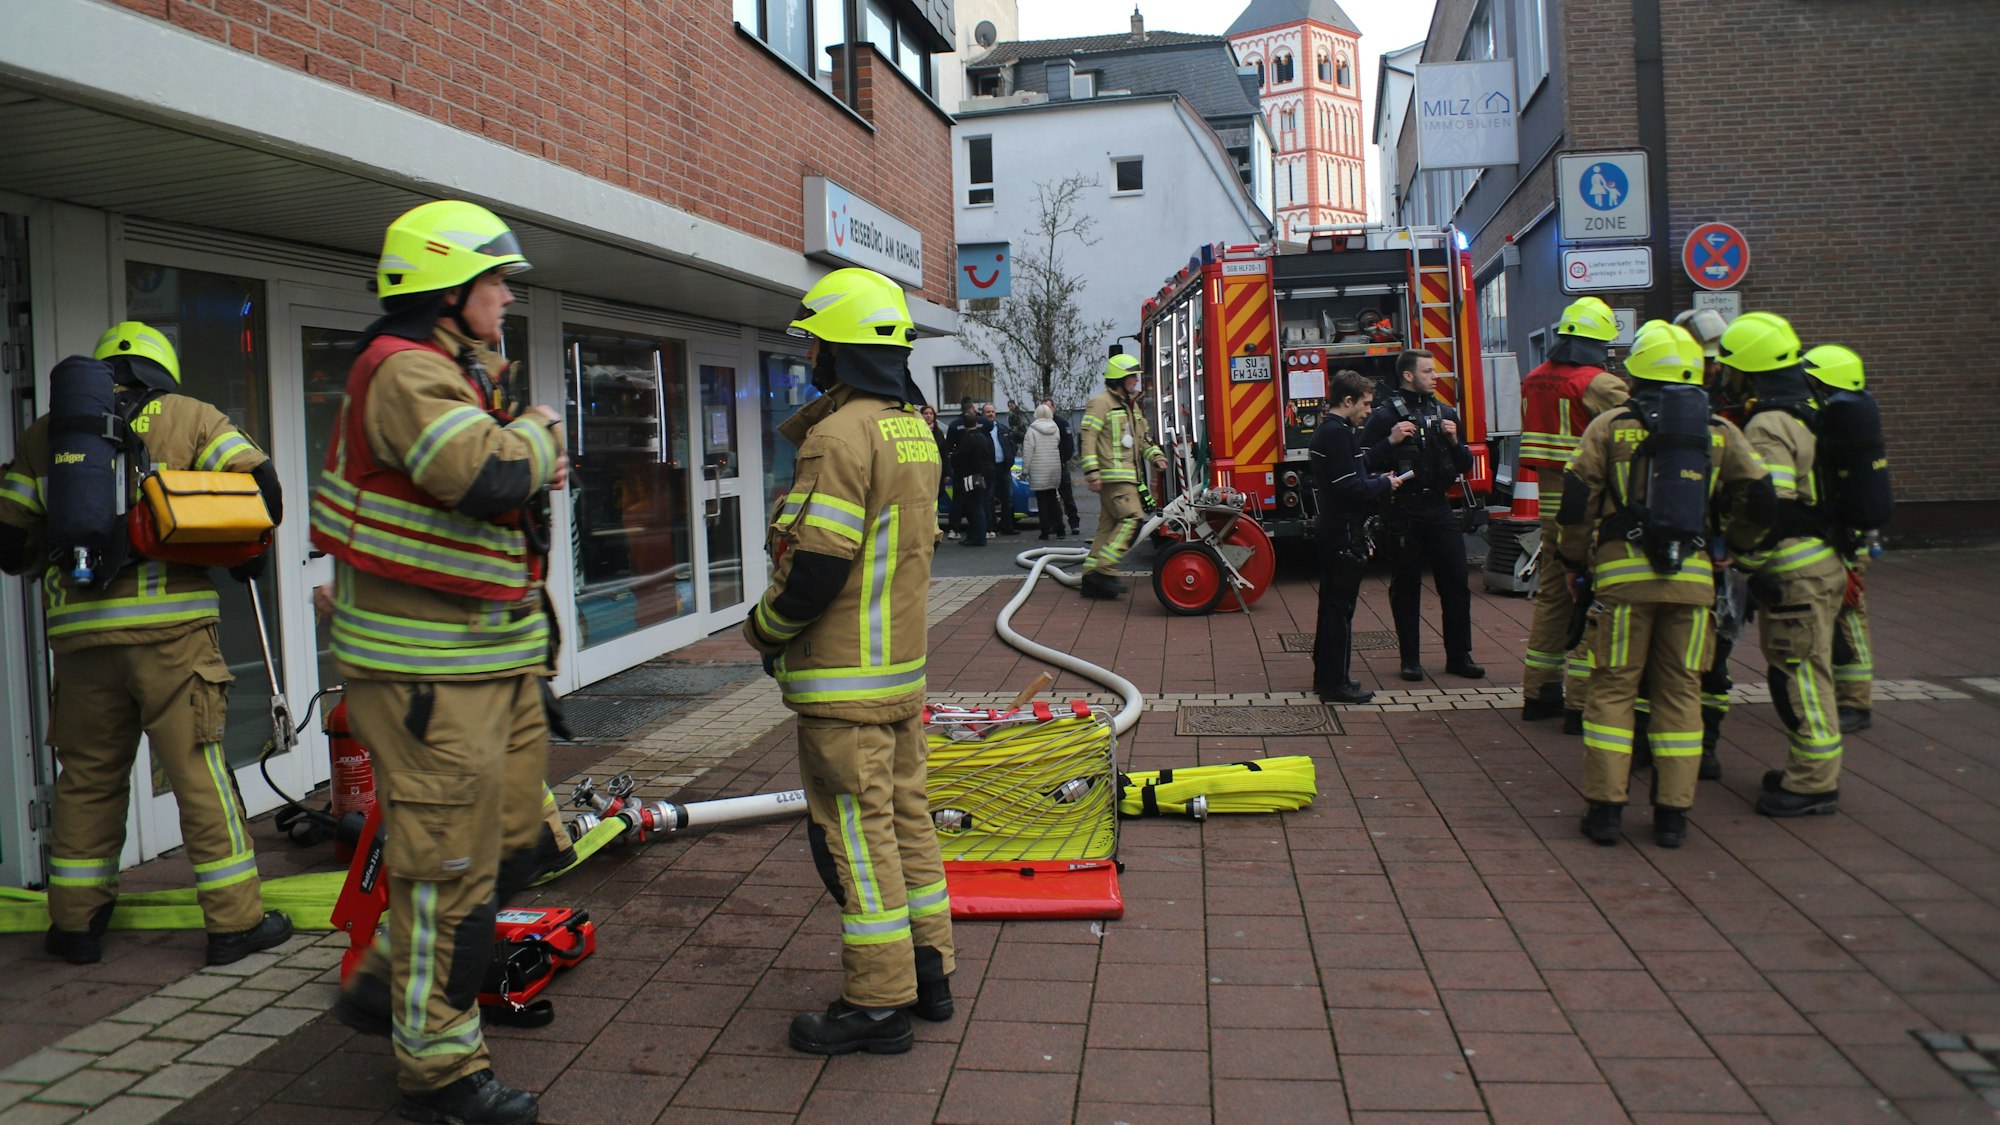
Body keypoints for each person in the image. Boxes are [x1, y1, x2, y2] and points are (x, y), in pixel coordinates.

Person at [315, 200, 567, 1125]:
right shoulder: (402, 372)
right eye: (495, 281)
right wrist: (538, 437)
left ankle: (388, 977)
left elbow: (491, 485)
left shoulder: (453, 376)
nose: (506, 297)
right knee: (451, 879)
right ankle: (443, 1070)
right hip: (431, 680)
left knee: (519, 846)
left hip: (488, 665)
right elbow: (487, 476)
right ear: (447, 290)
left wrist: (525, 449)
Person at [0, 322, 291, 968]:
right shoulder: (192, 418)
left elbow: (9, 544)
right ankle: (236, 922)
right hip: (173, 637)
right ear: (162, 373)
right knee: (197, 770)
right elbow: (263, 495)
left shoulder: (48, 434)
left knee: (87, 778)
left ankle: (75, 924)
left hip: (79, 642)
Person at [742, 266, 953, 1056]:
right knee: (909, 823)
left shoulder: (838, 436)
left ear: (843, 350)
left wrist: (763, 632)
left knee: (858, 841)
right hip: (900, 673)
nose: (814, 362)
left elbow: (819, 564)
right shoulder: (913, 427)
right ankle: (929, 973)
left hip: (843, 682)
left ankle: (875, 1003)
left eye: (819, 347)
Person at [1558, 321, 1771, 848]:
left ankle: (1605, 811)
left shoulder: (1608, 426)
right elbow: (1762, 497)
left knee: (1613, 689)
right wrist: (1735, 549)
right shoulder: (1719, 430)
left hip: (1622, 582)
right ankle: (1672, 817)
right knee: (1681, 693)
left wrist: (1572, 559)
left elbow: (1576, 500)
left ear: (1635, 373)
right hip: (1693, 582)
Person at [1723, 311, 1848, 817]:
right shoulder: (1812, 407)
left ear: (1749, 369)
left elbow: (1768, 502)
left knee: (1801, 676)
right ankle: (1807, 771)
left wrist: (1745, 556)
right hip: (1823, 560)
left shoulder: (1769, 424)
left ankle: (1814, 782)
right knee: (1808, 666)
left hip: (1795, 568)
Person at [1518, 297, 1628, 724]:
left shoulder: (1534, 378)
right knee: (1594, 596)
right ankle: (1580, 701)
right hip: (1590, 507)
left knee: (1551, 596)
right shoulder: (1598, 383)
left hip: (1550, 506)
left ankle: (1540, 691)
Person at [1361, 350, 1482, 681]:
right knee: (1406, 585)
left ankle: (1459, 656)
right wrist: (1390, 440)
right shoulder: (1385, 416)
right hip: (1402, 508)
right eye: (1428, 371)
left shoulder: (1445, 413)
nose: (1435, 376)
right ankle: (1410, 660)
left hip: (1439, 507)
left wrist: (1455, 441)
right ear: (1409, 376)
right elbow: (1365, 463)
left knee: (1456, 582)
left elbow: (1465, 465)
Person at [1309, 370, 1401, 703]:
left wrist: (1383, 456)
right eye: (1365, 403)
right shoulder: (1338, 434)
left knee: (1332, 605)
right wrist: (1384, 484)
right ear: (1347, 401)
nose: (1369, 410)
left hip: (1334, 528)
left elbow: (1354, 468)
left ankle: (1327, 675)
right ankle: (1336, 683)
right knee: (1340, 609)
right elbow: (1350, 485)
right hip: (1344, 531)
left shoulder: (1332, 431)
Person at [1801, 344, 1877, 734]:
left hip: (1846, 537)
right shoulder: (1836, 421)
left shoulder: (1839, 424)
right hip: (1840, 531)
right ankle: (1842, 695)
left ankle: (1856, 702)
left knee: (1849, 616)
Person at [1079, 353, 1166, 599]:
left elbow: (1142, 440)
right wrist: (1092, 472)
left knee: (1108, 527)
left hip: (1126, 477)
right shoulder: (1100, 403)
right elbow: (1087, 439)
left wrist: (1156, 456)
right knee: (1132, 520)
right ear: (1119, 379)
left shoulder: (1132, 406)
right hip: (1113, 478)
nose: (1136, 382)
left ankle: (1090, 580)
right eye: (1132, 377)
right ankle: (1104, 571)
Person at [948, 401, 993, 547]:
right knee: (979, 505)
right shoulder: (982, 437)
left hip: (970, 476)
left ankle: (977, 536)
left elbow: (959, 456)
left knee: (973, 507)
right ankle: (978, 534)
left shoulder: (968, 439)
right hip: (982, 475)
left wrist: (951, 457)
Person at [1021, 403, 1065, 540]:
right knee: (1053, 499)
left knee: (1042, 501)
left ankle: (1045, 530)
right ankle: (1060, 529)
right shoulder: (1055, 427)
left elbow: (1028, 452)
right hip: (1053, 467)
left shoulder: (1032, 430)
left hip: (1038, 468)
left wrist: (1025, 470)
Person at [1045, 397, 1082, 536]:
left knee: (1067, 497)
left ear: (1054, 407)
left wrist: (1062, 460)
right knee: (1050, 498)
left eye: (1049, 407)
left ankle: (1074, 524)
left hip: (1060, 466)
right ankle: (1054, 525)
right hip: (1047, 467)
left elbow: (1069, 446)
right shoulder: (1041, 424)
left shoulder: (1061, 423)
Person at [981, 402, 1018, 534]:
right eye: (988, 412)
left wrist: (1010, 458)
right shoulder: (982, 430)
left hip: (1003, 467)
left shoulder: (1002, 429)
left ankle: (1007, 525)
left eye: (992, 412)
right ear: (983, 414)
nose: (991, 414)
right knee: (989, 498)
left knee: (1007, 498)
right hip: (988, 469)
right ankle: (991, 527)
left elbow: (1012, 445)